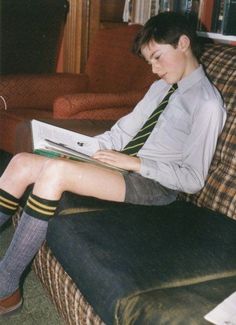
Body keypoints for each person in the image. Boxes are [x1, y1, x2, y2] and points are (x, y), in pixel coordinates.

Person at [0, 12, 226, 315]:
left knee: (54, 173)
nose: (155, 70)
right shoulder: (161, 87)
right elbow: (122, 132)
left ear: (183, 43)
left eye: (158, 58)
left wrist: (135, 163)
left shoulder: (207, 104)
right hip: (123, 167)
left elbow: (193, 178)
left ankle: (6, 286)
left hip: (155, 185)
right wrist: (78, 147)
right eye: (150, 63)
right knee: (23, 162)